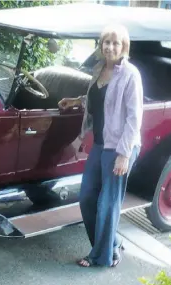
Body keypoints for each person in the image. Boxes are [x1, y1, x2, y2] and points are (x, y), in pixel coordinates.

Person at [58, 24, 144, 268]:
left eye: (115, 43)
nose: (110, 47)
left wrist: (124, 154)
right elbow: (101, 101)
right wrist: (75, 100)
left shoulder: (130, 75)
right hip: (100, 144)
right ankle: (111, 244)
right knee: (86, 198)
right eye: (106, 42)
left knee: (107, 203)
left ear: (124, 47)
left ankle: (101, 257)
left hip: (119, 148)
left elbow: (134, 117)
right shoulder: (99, 70)